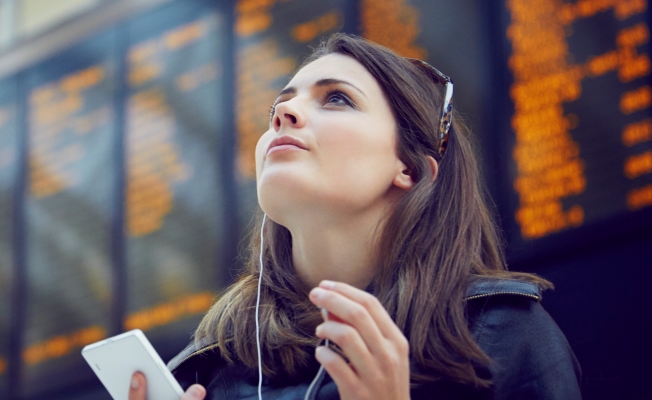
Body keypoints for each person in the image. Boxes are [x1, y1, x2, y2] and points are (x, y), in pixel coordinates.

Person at [128, 33, 581, 399]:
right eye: (277, 108)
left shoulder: (499, 335)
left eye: (337, 99)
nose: (283, 113)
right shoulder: (206, 370)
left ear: (410, 168)